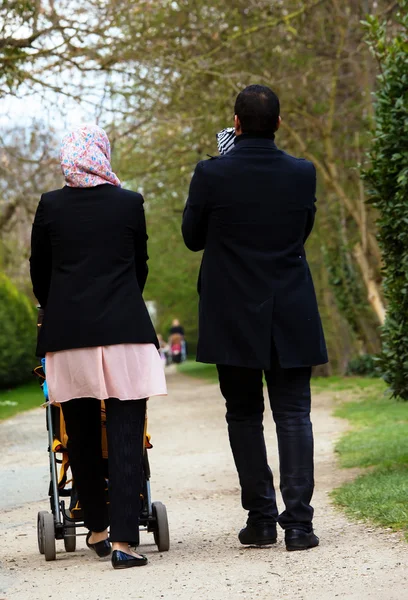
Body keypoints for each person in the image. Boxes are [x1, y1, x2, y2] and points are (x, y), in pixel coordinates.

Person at [182, 85, 328, 551]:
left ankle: (262, 518)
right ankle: (300, 526)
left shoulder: (211, 174)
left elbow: (191, 237)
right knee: (294, 413)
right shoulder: (302, 174)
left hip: (232, 311)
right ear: (280, 124)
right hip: (290, 306)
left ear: (236, 123)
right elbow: (301, 228)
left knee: (243, 415)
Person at [30, 124, 167, 570]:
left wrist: (61, 306)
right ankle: (127, 543)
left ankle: (98, 529)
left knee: (81, 436)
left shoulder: (50, 206)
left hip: (69, 337)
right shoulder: (130, 203)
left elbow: (41, 275)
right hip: (125, 330)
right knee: (126, 435)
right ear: (103, 154)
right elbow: (139, 267)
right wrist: (122, 299)